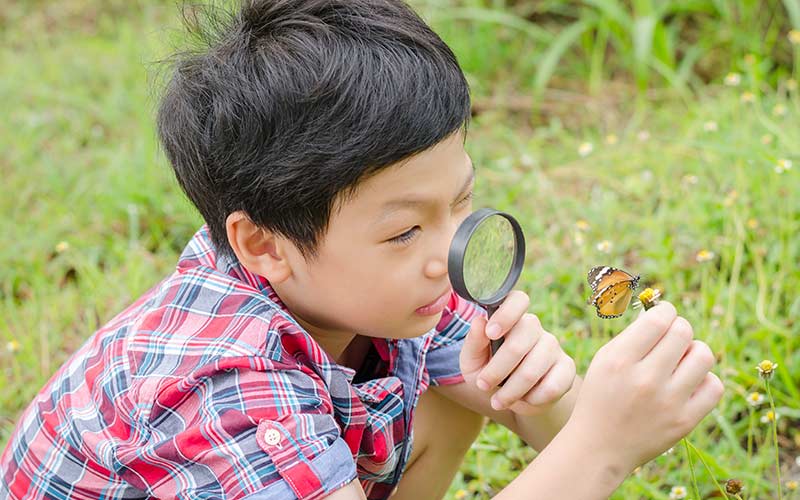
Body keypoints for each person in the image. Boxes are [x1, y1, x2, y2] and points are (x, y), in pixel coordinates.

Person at [0, 1, 724, 498]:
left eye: (462, 202)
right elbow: (584, 456)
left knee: (452, 398)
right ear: (263, 244)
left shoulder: (380, 282)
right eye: (405, 228)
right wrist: (601, 443)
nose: (448, 254)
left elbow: (549, 433)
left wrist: (544, 396)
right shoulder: (226, 387)